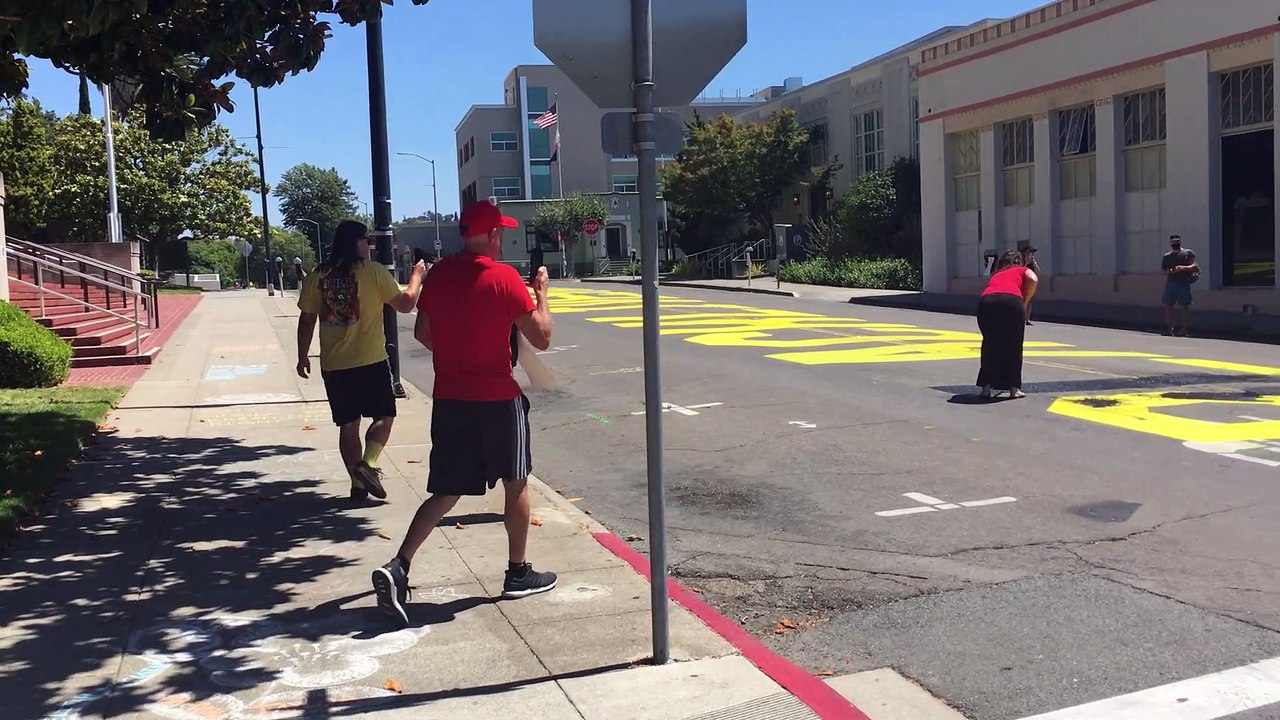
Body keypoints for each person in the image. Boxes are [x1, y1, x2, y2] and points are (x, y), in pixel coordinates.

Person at [372, 201, 556, 627]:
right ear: (491, 235)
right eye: (501, 233)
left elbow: (422, 333)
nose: (503, 238)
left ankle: (400, 564)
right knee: (516, 482)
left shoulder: (438, 277)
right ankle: (517, 572)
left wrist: (459, 352)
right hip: (497, 399)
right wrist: (541, 295)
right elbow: (542, 338)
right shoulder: (505, 278)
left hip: (451, 398)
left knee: (447, 490)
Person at [296, 220, 427, 501]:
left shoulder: (317, 276)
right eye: (365, 240)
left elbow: (307, 319)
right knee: (384, 416)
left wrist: (302, 355)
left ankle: (358, 484)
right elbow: (405, 305)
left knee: (348, 424)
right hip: (371, 360)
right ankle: (368, 464)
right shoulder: (373, 272)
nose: (369, 245)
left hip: (334, 364)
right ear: (355, 243)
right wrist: (417, 276)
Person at [976, 250, 1038, 399]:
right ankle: (1014, 388)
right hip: (1011, 301)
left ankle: (986, 387)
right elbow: (1033, 279)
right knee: (1014, 346)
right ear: (1019, 262)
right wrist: (1025, 301)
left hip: (986, 302)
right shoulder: (1022, 270)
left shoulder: (997, 274)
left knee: (990, 344)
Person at [1161, 234, 1198, 337]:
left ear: (1180, 242)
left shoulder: (1188, 253)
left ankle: (1185, 330)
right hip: (1171, 282)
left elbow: (1195, 266)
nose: (1175, 244)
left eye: (1177, 242)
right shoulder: (1167, 257)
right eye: (1173, 242)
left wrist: (1183, 268)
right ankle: (1170, 329)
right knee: (1168, 305)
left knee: (1184, 305)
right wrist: (1170, 272)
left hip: (1184, 282)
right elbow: (1163, 271)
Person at [1020, 245, 1041, 325]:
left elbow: (1037, 270)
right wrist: (1026, 262)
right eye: (1030, 253)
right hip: (1022, 283)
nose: (1032, 255)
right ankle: (1021, 317)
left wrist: (1034, 262)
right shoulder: (1022, 261)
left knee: (1029, 301)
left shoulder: (1032, 263)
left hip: (1029, 284)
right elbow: (1020, 270)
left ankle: (1027, 319)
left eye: (1032, 253)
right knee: (1022, 301)